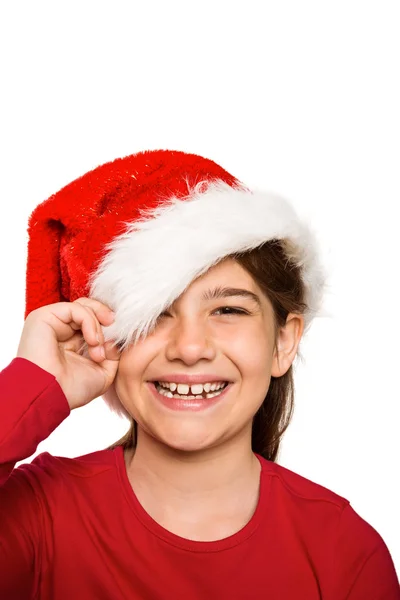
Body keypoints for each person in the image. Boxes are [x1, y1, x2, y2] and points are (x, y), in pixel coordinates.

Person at [0, 149, 398, 599]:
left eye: (228, 309)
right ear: (104, 338)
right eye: (153, 315)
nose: (189, 348)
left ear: (283, 342)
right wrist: (31, 383)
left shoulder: (345, 553)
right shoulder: (36, 517)